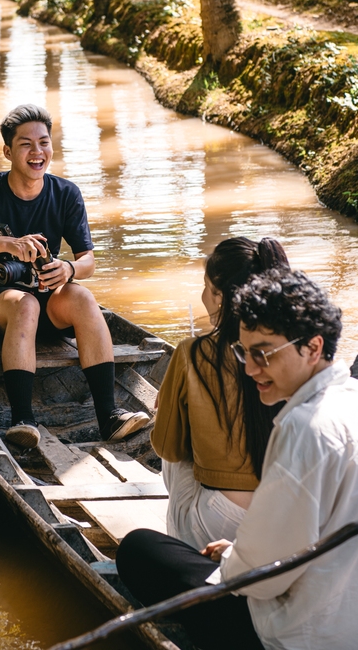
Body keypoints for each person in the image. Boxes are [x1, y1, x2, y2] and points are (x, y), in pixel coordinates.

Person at [117, 269, 358, 650]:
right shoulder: (350, 399)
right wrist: (237, 553)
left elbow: (262, 578)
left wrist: (234, 559)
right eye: (242, 352)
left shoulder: (304, 427)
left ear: (313, 348)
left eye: (263, 354)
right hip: (340, 616)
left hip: (293, 636)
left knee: (139, 549)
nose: (249, 369)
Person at [0, 103, 148, 449]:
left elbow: (88, 262)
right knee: (25, 305)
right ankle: (23, 419)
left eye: (44, 143)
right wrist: (8, 244)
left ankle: (109, 415)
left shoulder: (66, 194)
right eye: (26, 144)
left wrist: (68, 269)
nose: (38, 152)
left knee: (81, 296)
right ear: (8, 151)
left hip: (43, 295)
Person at [151, 237, 290, 550]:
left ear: (219, 297)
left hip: (217, 521)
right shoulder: (294, 353)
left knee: (176, 447)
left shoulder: (193, 352)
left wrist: (171, 407)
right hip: (282, 518)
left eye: (206, 286)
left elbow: (167, 449)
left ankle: (183, 544)